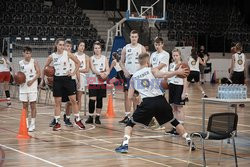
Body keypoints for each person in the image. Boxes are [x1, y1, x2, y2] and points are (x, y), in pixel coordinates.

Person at [115, 53, 195, 153]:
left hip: (147, 102)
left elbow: (130, 96)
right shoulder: (152, 70)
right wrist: (177, 71)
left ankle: (125, 145)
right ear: (148, 62)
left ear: (139, 63)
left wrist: (137, 100)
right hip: (161, 101)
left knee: (130, 123)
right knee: (174, 121)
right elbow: (165, 75)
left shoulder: (134, 77)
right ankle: (189, 140)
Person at [44, 38, 85, 131]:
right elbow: (45, 68)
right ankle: (57, 123)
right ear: (56, 45)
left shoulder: (68, 54)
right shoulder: (52, 56)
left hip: (67, 79)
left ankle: (77, 119)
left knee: (73, 101)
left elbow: (78, 63)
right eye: (60, 45)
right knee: (57, 103)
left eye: (63, 45)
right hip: (57, 80)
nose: (62, 46)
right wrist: (46, 77)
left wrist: (73, 72)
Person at [119, 30, 146, 124]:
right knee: (127, 96)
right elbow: (121, 62)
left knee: (136, 97)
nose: (134, 38)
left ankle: (136, 116)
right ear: (130, 37)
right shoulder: (125, 48)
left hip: (138, 76)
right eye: (132, 36)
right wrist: (125, 71)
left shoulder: (142, 48)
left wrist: (142, 73)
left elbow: (146, 63)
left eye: (135, 36)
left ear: (138, 38)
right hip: (128, 75)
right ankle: (127, 116)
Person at [85, 41, 109, 124]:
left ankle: (98, 117)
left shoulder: (104, 58)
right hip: (92, 79)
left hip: (102, 81)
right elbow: (93, 69)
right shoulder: (91, 58)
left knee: (99, 99)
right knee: (92, 99)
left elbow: (108, 69)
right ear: (93, 49)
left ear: (101, 49)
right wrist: (100, 74)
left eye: (98, 48)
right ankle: (90, 116)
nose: (97, 49)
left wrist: (105, 74)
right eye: (95, 48)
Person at [149, 37, 170, 129]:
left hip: (162, 79)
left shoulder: (165, 54)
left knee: (160, 101)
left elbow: (160, 66)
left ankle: (162, 123)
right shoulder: (153, 54)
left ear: (162, 44)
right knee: (153, 100)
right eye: (156, 44)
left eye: (159, 44)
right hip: (154, 79)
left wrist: (152, 70)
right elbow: (150, 65)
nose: (157, 46)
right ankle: (155, 120)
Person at [165, 49, 188, 135]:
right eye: (173, 55)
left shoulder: (183, 65)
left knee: (179, 108)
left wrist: (184, 92)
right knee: (173, 108)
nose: (175, 57)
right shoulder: (171, 65)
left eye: (176, 55)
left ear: (180, 56)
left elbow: (185, 80)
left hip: (179, 87)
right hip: (172, 86)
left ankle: (180, 127)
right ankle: (175, 127)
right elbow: (169, 75)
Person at [18, 46, 40, 132]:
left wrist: (32, 81)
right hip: (23, 87)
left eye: (29, 53)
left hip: (32, 86)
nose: (28, 55)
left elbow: (38, 73)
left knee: (33, 105)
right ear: (23, 53)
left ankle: (33, 124)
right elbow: (19, 75)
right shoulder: (20, 63)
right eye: (26, 53)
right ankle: (26, 123)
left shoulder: (34, 62)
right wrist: (18, 80)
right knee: (24, 106)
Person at [230, 42, 246, 107]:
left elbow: (232, 66)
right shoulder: (244, 55)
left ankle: (234, 103)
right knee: (241, 88)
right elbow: (244, 66)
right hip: (242, 73)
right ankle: (241, 103)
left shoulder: (234, 56)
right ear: (241, 48)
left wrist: (230, 74)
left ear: (236, 49)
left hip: (236, 73)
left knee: (234, 88)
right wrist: (245, 75)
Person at [75, 40, 89, 113]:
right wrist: (76, 71)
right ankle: (72, 113)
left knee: (79, 97)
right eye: (81, 45)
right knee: (73, 97)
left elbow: (87, 70)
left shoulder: (86, 57)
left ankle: (78, 114)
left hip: (82, 77)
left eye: (83, 46)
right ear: (78, 46)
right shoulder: (73, 55)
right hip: (73, 77)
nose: (82, 47)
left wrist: (77, 70)